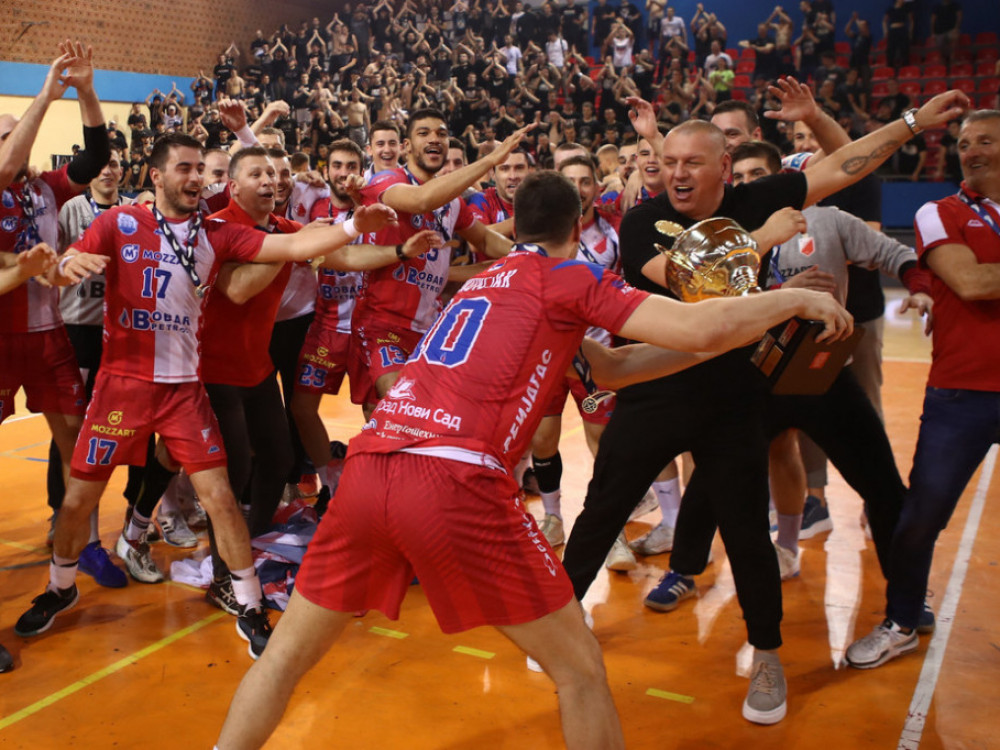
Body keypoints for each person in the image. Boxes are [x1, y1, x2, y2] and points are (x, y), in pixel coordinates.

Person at [215, 169, 852, 749]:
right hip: (454, 480)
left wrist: (748, 333)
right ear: (579, 226)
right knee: (578, 672)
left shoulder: (481, 283)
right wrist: (791, 300)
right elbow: (699, 328)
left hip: (371, 466)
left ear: (512, 225)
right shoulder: (568, 278)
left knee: (284, 661)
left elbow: (614, 366)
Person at [559, 86, 969, 724]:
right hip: (655, 388)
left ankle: (768, 656)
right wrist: (761, 239)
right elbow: (691, 285)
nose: (675, 174)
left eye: (691, 163)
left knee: (747, 531)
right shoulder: (645, 220)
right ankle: (559, 629)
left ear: (723, 167)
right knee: (601, 512)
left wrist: (913, 122)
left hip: (733, 396)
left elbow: (846, 163)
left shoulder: (763, 193)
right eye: (668, 162)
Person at [12, 133, 396, 658]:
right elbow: (64, 267)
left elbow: (294, 245)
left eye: (201, 169)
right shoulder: (119, 222)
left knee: (221, 498)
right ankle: (60, 586)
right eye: (185, 169)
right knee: (78, 501)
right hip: (121, 386)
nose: (196, 178)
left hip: (184, 393)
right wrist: (58, 268)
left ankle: (248, 603)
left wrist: (352, 226)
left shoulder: (216, 233)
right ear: (156, 176)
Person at [846, 108, 1000, 669]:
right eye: (964, 142)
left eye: (986, 139)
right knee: (918, 522)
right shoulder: (940, 211)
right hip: (961, 392)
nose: (972, 149)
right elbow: (971, 281)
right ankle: (902, 621)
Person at [0, 42, 110, 549]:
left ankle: (78, 544)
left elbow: (96, 157)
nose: (15, 146)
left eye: (14, 135)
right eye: (5, 138)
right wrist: (46, 94)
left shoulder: (46, 187)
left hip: (51, 339)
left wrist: (85, 92)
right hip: (2, 342)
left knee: (76, 442)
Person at [44, 149, 133, 586]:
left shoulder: (131, 212)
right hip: (76, 328)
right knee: (69, 428)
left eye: (115, 164)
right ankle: (59, 513)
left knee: (102, 427)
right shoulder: (68, 210)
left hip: (114, 333)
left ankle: (99, 526)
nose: (108, 170)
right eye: (101, 164)